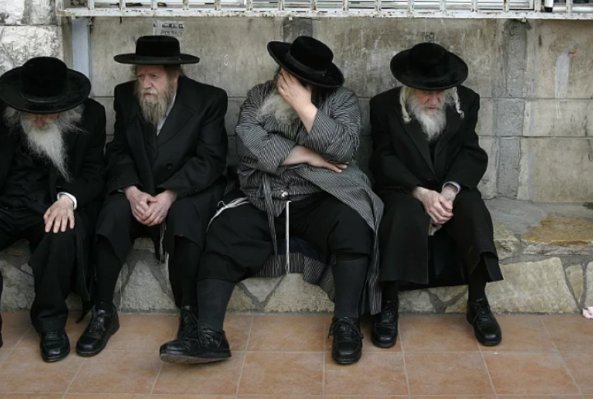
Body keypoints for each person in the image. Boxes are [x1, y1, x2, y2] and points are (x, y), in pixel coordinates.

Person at [159, 36, 383, 365]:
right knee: (224, 232)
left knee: (354, 223)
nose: (288, 83)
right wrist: (307, 154)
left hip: (322, 196)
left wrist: (304, 107)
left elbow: (344, 149)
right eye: (287, 74)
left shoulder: (342, 99)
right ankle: (209, 335)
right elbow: (247, 145)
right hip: (264, 195)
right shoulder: (258, 95)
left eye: (301, 80)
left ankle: (346, 323)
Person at [0, 57, 105, 378]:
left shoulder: (91, 113)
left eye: (48, 113)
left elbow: (93, 171)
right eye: (30, 112)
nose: (38, 120)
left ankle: (51, 325)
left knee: (63, 233)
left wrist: (68, 200)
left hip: (50, 205)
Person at [76, 36, 228, 357]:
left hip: (185, 189)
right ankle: (103, 310)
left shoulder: (209, 99)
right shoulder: (125, 96)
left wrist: (170, 195)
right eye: (140, 75)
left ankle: (190, 312)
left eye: (154, 76)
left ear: (175, 76)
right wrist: (131, 191)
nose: (145, 84)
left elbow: (211, 160)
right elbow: (118, 150)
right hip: (139, 186)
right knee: (111, 215)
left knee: (186, 219)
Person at [369, 42, 503, 347]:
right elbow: (383, 158)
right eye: (425, 93)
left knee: (474, 212)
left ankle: (478, 302)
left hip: (451, 186)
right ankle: (388, 303)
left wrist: (450, 190)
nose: (434, 100)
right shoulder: (383, 105)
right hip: (405, 187)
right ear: (409, 87)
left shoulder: (467, 101)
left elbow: (470, 151)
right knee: (400, 216)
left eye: (441, 92)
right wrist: (421, 193)